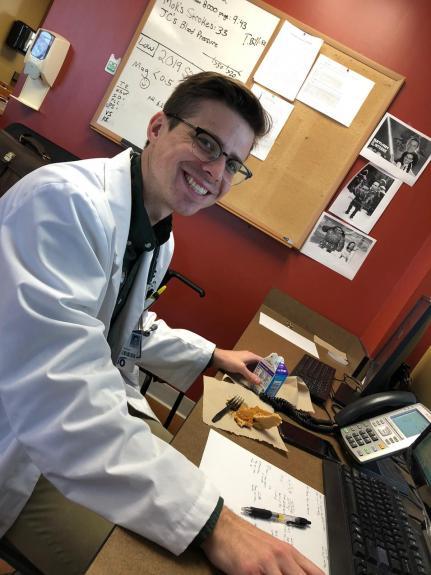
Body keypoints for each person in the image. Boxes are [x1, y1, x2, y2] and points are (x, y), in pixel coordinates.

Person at [0, 72, 323, 575]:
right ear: (156, 127)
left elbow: (121, 325)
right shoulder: (62, 205)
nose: (216, 171)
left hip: (70, 433)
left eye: (233, 162)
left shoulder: (155, 231)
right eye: (206, 141)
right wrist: (215, 523)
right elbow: (60, 393)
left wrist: (213, 355)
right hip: (27, 440)